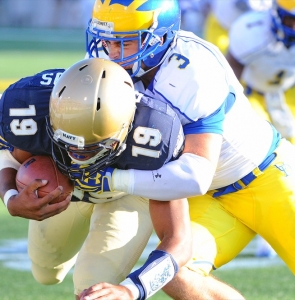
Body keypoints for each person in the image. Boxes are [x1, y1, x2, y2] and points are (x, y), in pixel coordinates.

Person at [81, 0, 295, 299]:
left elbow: (196, 174)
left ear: (161, 37)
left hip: (270, 178)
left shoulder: (194, 67)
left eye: (126, 42)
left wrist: (110, 179)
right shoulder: (111, 69)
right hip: (211, 197)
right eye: (106, 41)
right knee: (175, 274)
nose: (112, 54)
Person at [0, 58, 192, 300]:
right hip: (65, 194)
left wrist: (133, 290)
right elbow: (12, 158)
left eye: (89, 149)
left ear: (124, 129)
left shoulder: (155, 135)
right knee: (46, 272)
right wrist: (11, 199)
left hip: (127, 195)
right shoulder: (29, 107)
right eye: (66, 144)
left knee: (92, 289)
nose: (77, 156)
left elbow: (179, 241)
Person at [226, 0, 295, 144]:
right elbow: (229, 77)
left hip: (285, 91)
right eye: (291, 19)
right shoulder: (252, 32)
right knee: (259, 141)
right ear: (278, 13)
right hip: (250, 92)